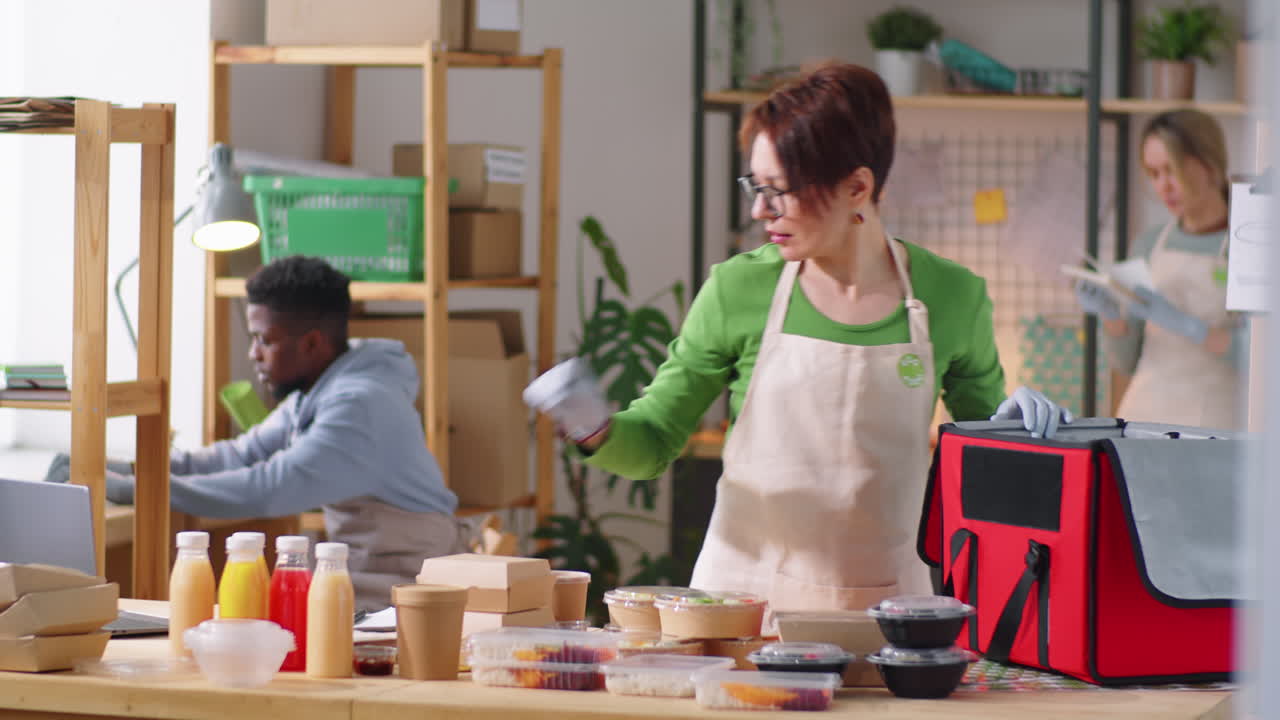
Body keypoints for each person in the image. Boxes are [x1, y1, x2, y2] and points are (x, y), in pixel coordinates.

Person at [525, 63, 1070, 613]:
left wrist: (1022, 437)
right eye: (756, 187)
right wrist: (592, 426)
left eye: (779, 191)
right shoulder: (738, 289)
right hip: (737, 610)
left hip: (884, 614)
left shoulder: (952, 297)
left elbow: (983, 473)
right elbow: (653, 443)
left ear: (857, 186)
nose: (760, 210)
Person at [47, 256, 467, 610]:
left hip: (406, 584)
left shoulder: (358, 406)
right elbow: (236, 457)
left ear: (312, 343)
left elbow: (268, 487)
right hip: (369, 568)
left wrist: (134, 489)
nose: (254, 354)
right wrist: (115, 466)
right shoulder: (321, 388)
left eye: (264, 340)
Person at [1075, 109, 1244, 429]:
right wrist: (1111, 316)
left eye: (1172, 170)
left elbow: (1262, 361)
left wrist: (1190, 326)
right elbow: (1125, 361)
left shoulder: (1251, 245)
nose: (1163, 187)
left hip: (1215, 422)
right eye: (1153, 173)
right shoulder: (1148, 245)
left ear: (1210, 165)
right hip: (1145, 415)